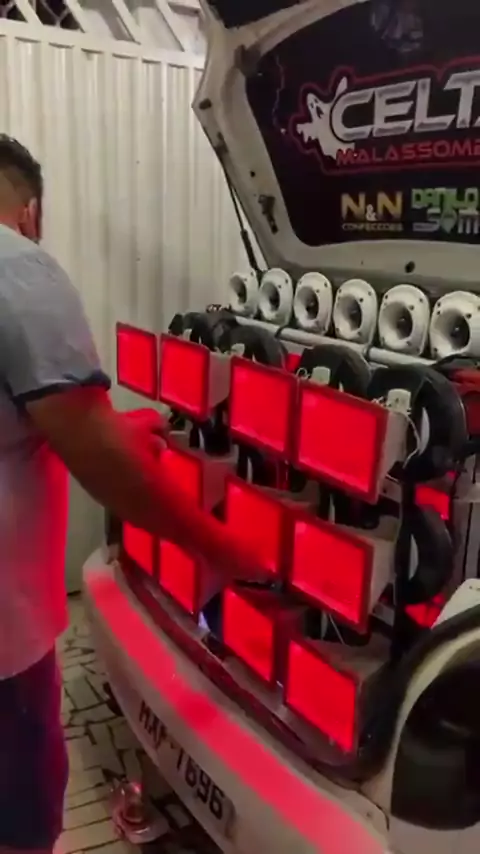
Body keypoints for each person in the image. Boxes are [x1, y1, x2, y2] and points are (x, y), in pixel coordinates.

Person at [0, 136, 263, 854]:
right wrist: (221, 547)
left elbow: (31, 415)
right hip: (4, 636)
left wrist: (112, 428)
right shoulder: (18, 269)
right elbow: (103, 467)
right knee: (22, 813)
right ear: (31, 210)